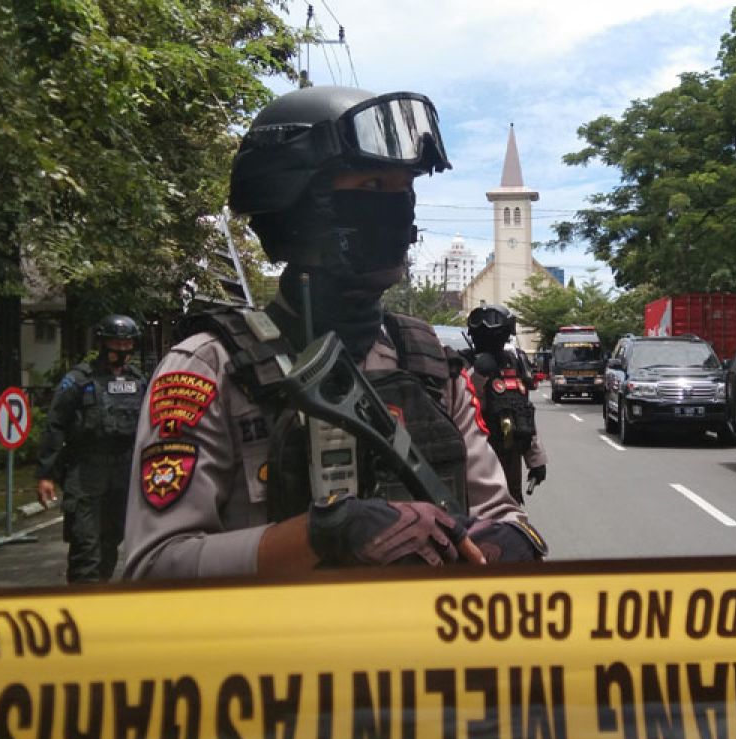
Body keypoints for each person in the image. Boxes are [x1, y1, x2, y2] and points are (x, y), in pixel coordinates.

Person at [122, 85, 546, 580]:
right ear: (297, 204)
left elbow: (498, 512)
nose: (398, 210)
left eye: (403, 190)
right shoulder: (211, 369)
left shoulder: (429, 362)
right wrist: (318, 536)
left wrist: (509, 541)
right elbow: (152, 569)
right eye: (371, 188)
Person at [36, 314, 147, 582]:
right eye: (115, 343)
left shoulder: (139, 381)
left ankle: (99, 598)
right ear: (103, 343)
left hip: (123, 471)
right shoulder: (79, 380)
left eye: (126, 344)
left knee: (111, 543)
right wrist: (45, 474)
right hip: (85, 472)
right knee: (86, 547)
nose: (121, 349)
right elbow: (55, 425)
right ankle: (82, 606)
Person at [462, 304, 547, 503]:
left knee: (511, 513)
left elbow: (524, 413)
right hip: (474, 457)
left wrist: (536, 460)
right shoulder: (463, 365)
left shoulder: (514, 363)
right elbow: (459, 407)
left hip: (510, 456)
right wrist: (478, 374)